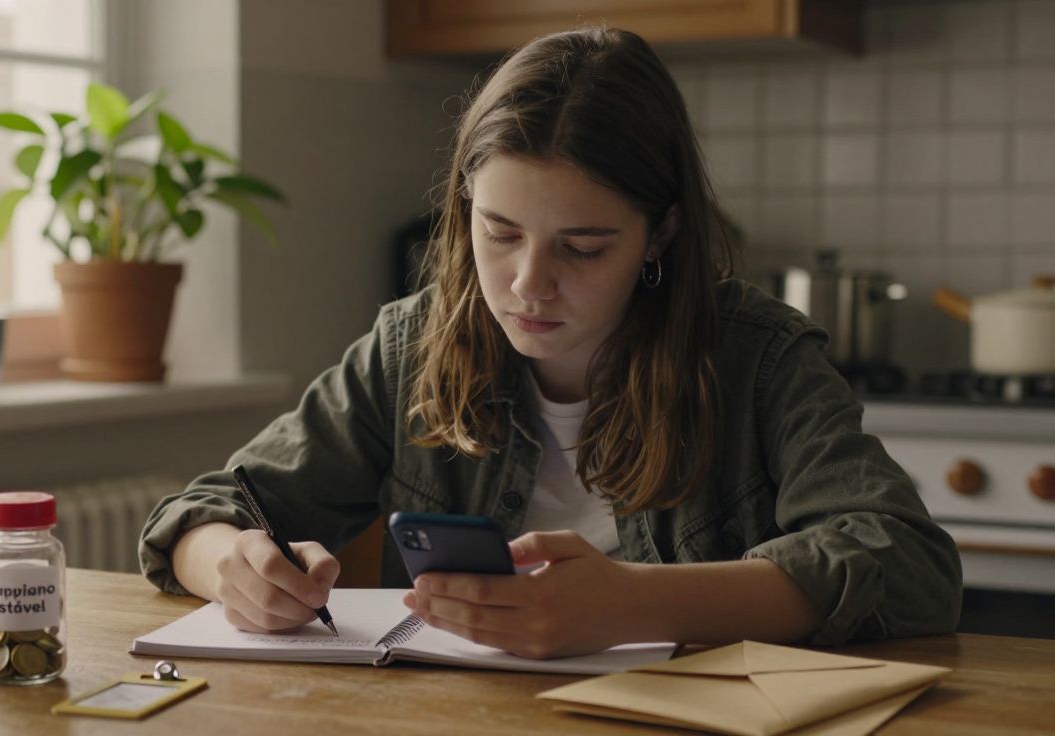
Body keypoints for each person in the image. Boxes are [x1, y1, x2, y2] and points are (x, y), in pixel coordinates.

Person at [139, 27, 962, 658]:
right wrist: (232, 570)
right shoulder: (413, 345)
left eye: (583, 246)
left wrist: (635, 602)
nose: (529, 284)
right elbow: (204, 511)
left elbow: (906, 563)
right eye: (499, 232)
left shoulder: (759, 358)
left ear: (660, 233)